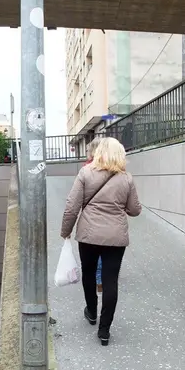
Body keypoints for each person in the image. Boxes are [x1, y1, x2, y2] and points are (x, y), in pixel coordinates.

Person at [60, 137, 142, 346]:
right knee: (110, 280)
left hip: (88, 236)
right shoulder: (127, 178)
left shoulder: (85, 173)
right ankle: (104, 330)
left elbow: (72, 205)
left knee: (89, 274)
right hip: (116, 237)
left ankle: (92, 312)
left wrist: (65, 231)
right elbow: (134, 210)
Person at [85, 138, 103, 293]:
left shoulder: (87, 170)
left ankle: (98, 280)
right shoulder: (117, 169)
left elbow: (76, 199)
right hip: (112, 223)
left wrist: (67, 229)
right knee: (106, 251)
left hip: (91, 219)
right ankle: (103, 279)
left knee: (95, 252)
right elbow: (134, 208)